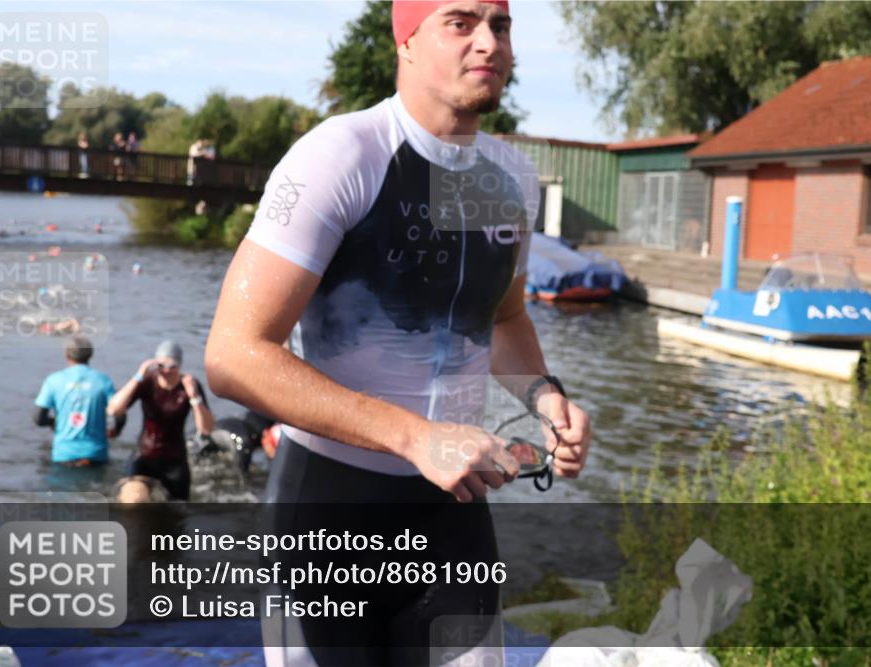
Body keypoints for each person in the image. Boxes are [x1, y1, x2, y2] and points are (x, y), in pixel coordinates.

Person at [205, 2, 592, 665]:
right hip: (329, 507)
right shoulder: (339, 155)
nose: (488, 42)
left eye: (500, 26)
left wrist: (545, 398)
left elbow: (504, 319)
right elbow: (233, 356)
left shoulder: (513, 181)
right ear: (406, 39)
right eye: (461, 22)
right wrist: (416, 436)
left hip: (451, 509)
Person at [108, 340, 214, 500]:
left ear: (179, 366)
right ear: (154, 364)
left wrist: (194, 397)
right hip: (145, 456)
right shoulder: (147, 382)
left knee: (178, 511)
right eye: (161, 366)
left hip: (174, 458)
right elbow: (113, 409)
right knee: (131, 499)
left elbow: (206, 429)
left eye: (172, 366)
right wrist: (137, 377)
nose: (166, 371)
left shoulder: (189, 385)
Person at [33, 336, 124, 466]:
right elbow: (120, 412)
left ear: (66, 354)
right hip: (96, 455)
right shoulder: (103, 380)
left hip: (64, 455)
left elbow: (38, 418)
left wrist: (52, 422)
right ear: (90, 354)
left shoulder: (53, 381)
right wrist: (116, 430)